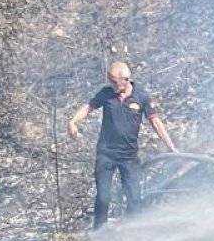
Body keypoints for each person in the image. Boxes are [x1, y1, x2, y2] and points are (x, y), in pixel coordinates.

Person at [67, 61, 177, 229]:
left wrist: (170, 146)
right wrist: (73, 121)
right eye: (110, 81)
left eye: (114, 82)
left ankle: (133, 231)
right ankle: (99, 233)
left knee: (134, 197)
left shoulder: (141, 97)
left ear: (126, 80)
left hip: (129, 155)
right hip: (106, 154)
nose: (111, 85)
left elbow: (155, 122)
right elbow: (88, 107)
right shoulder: (106, 93)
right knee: (103, 196)